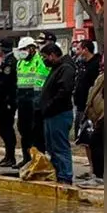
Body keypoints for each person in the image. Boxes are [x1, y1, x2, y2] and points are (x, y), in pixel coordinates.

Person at [38, 43, 75, 184]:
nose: (44, 60)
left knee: (60, 146)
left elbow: (64, 91)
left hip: (59, 113)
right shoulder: (56, 68)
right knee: (52, 147)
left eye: (45, 57)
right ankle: (58, 172)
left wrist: (49, 105)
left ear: (53, 55)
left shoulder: (65, 69)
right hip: (51, 114)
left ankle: (65, 176)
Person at [14, 36, 50, 168]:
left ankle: (37, 160)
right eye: (20, 49)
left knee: (36, 132)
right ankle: (26, 158)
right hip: (23, 100)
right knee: (23, 131)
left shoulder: (40, 60)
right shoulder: (20, 63)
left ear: (32, 49)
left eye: (24, 49)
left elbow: (43, 78)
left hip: (35, 100)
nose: (22, 52)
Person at [0, 39, 18, 167]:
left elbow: (5, 81)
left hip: (7, 99)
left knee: (6, 127)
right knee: (2, 128)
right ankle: (7, 155)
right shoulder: (4, 60)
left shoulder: (10, 62)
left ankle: (11, 156)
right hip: (1, 98)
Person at [78, 63, 104, 187]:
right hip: (99, 117)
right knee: (95, 143)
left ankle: (100, 177)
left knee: (97, 142)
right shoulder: (102, 77)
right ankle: (98, 175)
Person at [72, 39, 101, 141]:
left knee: (88, 132)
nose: (76, 51)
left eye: (79, 49)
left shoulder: (96, 65)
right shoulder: (81, 64)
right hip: (80, 102)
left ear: (86, 50)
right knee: (79, 129)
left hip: (90, 104)